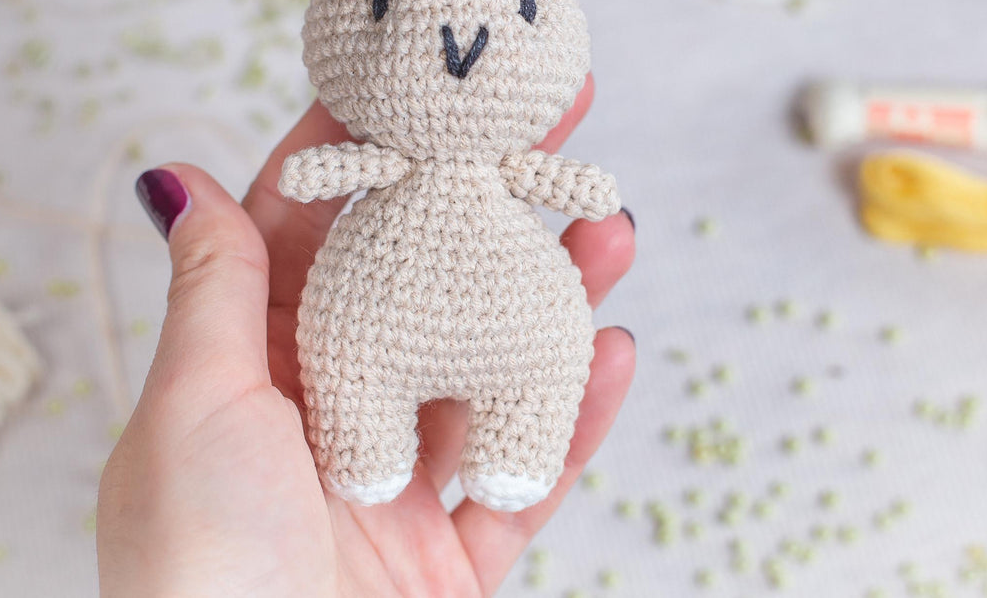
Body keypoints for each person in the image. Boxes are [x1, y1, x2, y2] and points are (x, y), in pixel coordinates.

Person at [97, 80, 636, 596]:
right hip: (380, 329)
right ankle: (368, 450)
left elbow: (304, 177)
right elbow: (307, 177)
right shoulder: (390, 161)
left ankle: (513, 453)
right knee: (351, 359)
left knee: (541, 356)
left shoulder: (498, 167)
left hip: (505, 322)